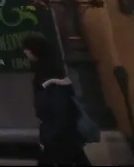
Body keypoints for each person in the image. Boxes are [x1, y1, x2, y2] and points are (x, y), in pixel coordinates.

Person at [23, 36, 90, 166]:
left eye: (28, 49)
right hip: (61, 131)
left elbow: (56, 106)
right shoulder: (49, 70)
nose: (26, 52)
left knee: (59, 157)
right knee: (75, 157)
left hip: (58, 132)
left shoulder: (47, 75)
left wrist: (50, 134)